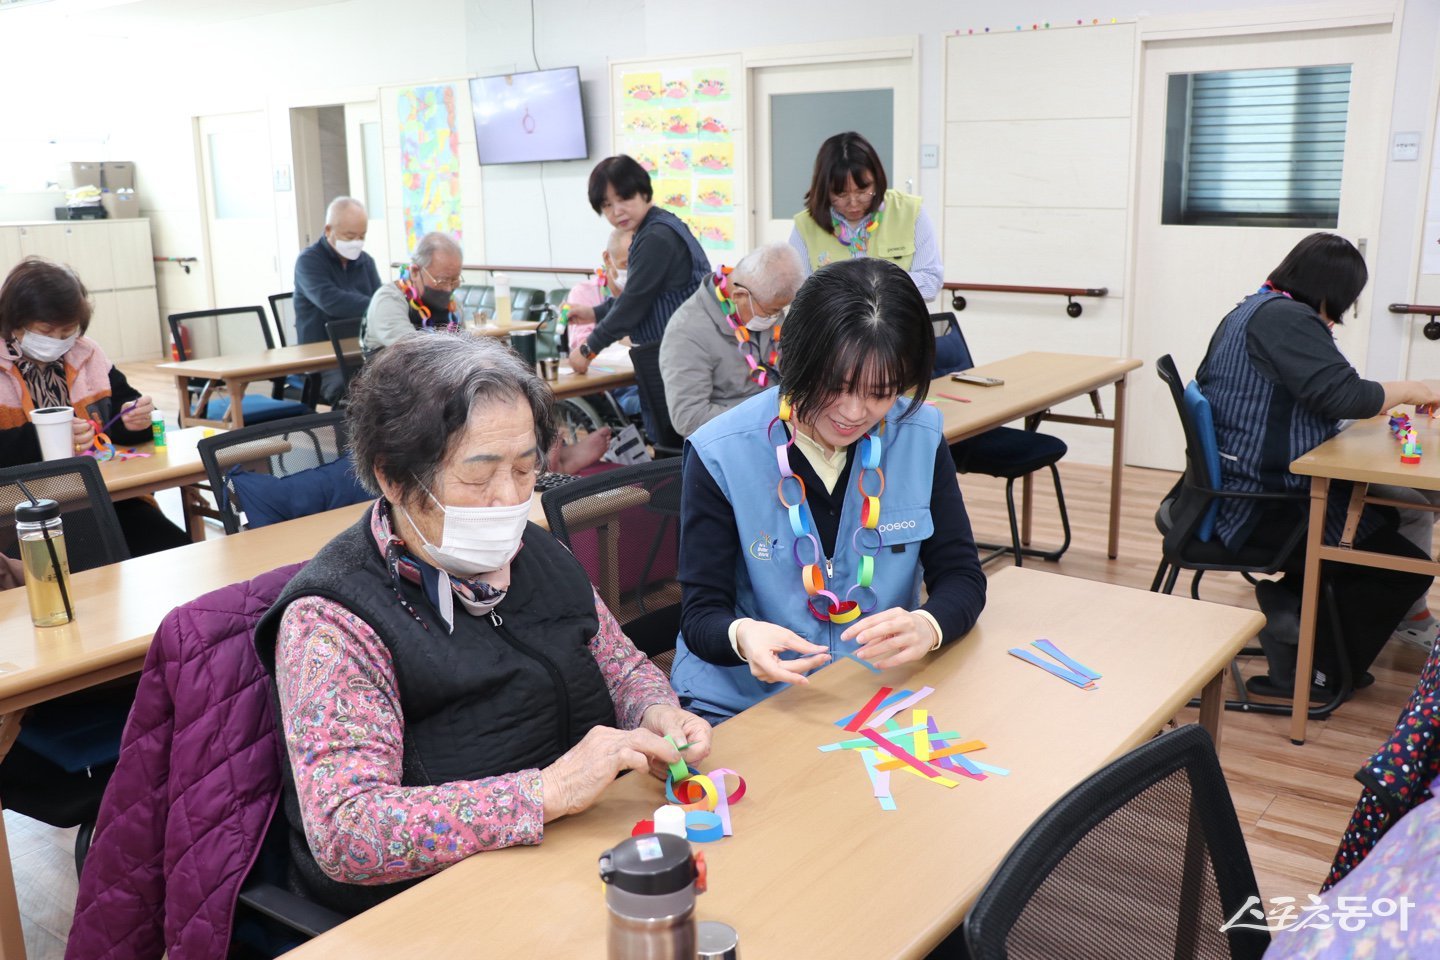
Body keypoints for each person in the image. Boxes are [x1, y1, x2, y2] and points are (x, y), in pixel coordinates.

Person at [254, 332, 712, 914]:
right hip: (442, 902)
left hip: (577, 855)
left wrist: (654, 712)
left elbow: (621, 668)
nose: (508, 499)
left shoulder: (538, 553)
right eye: (478, 476)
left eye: (524, 469)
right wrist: (546, 793)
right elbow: (348, 831)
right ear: (395, 478)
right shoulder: (332, 621)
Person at [669, 258, 988, 723]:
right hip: (746, 703)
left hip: (875, 697)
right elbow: (700, 615)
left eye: (880, 392)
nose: (854, 413)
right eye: (835, 386)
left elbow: (961, 575)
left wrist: (928, 624)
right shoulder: (721, 451)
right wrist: (742, 636)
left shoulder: (919, 435)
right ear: (797, 359)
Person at [1196, 232, 1439, 698]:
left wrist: (1382, 397)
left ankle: (1292, 609)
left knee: (1393, 513)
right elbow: (1343, 394)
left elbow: (1326, 390)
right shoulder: (1287, 318)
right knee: (1405, 568)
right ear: (1334, 289)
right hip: (1263, 502)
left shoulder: (1259, 307)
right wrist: (1411, 389)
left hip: (1246, 483)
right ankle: (1313, 676)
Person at [0, 257, 188, 556]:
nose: (58, 341)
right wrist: (44, 439)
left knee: (175, 551)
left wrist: (134, 420)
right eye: (46, 332)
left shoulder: (86, 354)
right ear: (14, 321)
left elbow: (121, 411)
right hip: (22, 515)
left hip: (103, 497)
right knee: (92, 559)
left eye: (67, 332)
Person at [566, 156, 709, 437]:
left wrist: (588, 349)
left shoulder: (655, 236)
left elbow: (633, 304)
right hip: (678, 352)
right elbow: (642, 295)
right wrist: (594, 313)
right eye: (607, 205)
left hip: (677, 357)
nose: (617, 211)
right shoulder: (659, 226)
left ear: (644, 193)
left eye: (624, 198)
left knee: (672, 445)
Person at [659, 242, 806, 437]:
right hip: (731, 438)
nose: (775, 317)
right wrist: (764, 416)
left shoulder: (762, 303)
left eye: (780, 310)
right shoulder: (687, 331)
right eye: (771, 311)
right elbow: (689, 418)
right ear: (740, 296)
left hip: (781, 423)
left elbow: (789, 368)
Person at [789, 131, 943, 302]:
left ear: (877, 180)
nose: (853, 203)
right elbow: (800, 294)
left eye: (863, 191)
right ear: (824, 190)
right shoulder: (805, 225)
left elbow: (931, 282)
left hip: (897, 318)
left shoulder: (910, 212)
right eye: (841, 194)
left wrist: (873, 284)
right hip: (833, 319)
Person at [293, 197, 382, 402]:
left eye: (362, 236)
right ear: (328, 230)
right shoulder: (308, 262)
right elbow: (332, 301)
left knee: (399, 380)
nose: (356, 242)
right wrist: (378, 305)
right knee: (352, 389)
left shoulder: (365, 261)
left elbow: (381, 299)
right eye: (350, 236)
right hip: (322, 359)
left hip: (361, 351)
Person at [359, 231, 464, 357]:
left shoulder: (453, 305)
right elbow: (413, 353)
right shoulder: (388, 301)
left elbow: (465, 348)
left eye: (454, 280)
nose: (448, 289)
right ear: (415, 272)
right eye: (442, 280)